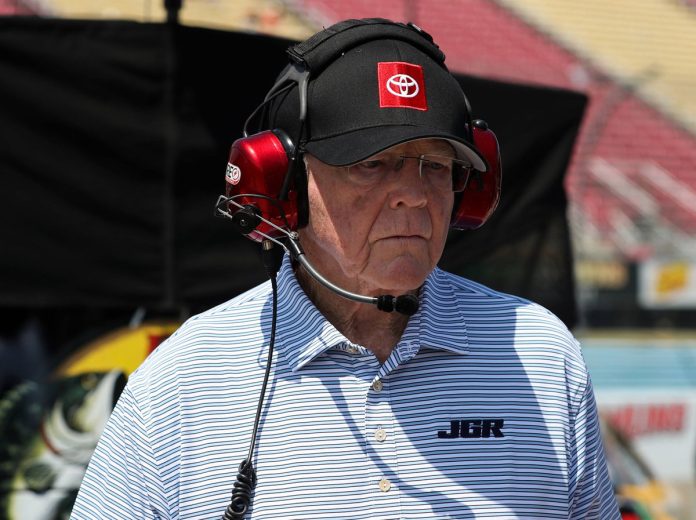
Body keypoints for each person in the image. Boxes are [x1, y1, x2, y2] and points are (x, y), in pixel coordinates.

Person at [70, 17, 620, 520]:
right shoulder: (185, 380)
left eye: (436, 165)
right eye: (372, 164)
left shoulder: (543, 356)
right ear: (283, 187)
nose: (413, 194)